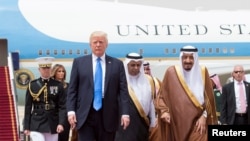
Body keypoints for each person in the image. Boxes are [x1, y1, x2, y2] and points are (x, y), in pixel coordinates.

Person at [67, 31, 130, 141]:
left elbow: (123, 91)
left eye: (101, 42)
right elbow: (72, 89)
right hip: (85, 114)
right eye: (95, 42)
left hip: (108, 114)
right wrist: (71, 111)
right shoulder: (79, 63)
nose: (98, 45)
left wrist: (125, 113)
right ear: (90, 44)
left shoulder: (117, 64)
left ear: (106, 44)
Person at [156, 45, 218, 141]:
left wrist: (204, 116)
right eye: (185, 57)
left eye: (191, 57)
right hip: (176, 124)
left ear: (195, 58)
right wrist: (164, 112)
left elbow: (208, 99)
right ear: (181, 58)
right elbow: (162, 96)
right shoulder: (171, 72)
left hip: (198, 123)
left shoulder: (202, 72)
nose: (187, 60)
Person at [115, 53, 157, 141]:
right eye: (133, 65)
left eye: (138, 65)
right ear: (127, 65)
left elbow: (151, 103)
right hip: (123, 124)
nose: (136, 68)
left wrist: (153, 123)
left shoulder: (148, 80)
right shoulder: (119, 80)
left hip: (143, 124)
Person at [23, 57, 66, 141]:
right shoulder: (32, 85)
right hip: (36, 122)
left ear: (51, 69)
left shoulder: (58, 85)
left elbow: (62, 106)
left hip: (52, 122)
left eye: (48, 68)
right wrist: (26, 126)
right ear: (39, 69)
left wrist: (61, 123)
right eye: (43, 68)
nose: (46, 70)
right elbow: (28, 107)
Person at [51, 64, 71, 141]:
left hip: (65, 116)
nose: (61, 73)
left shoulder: (68, 86)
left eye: (63, 71)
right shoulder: (50, 86)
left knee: (64, 137)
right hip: (54, 116)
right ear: (54, 73)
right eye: (59, 71)